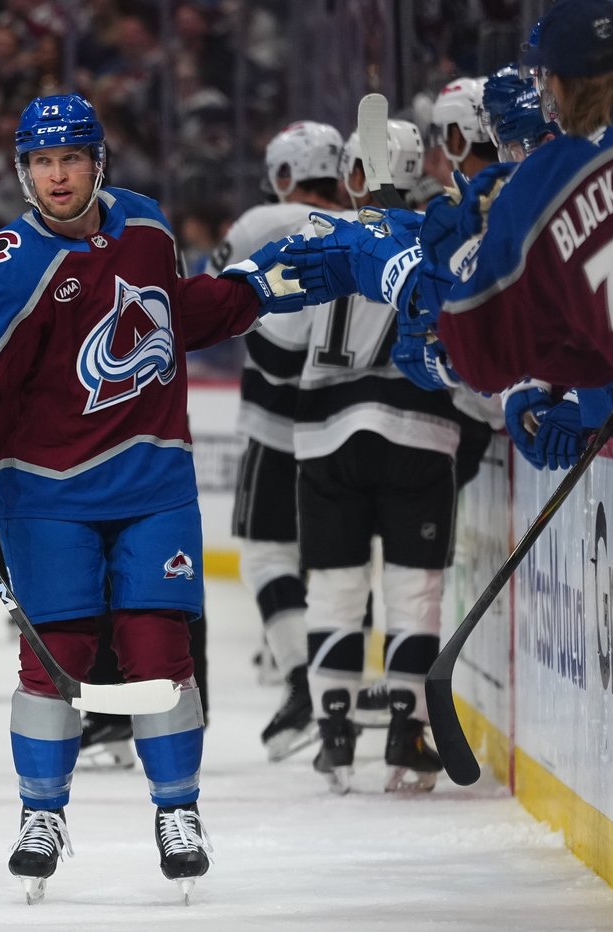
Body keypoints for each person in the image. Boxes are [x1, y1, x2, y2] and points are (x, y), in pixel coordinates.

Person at [0, 93, 305, 905]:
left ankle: (179, 811)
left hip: (153, 481)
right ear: (23, 173)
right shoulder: (9, 262)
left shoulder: (148, 227)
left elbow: (173, 313)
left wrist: (252, 291)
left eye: (71, 159)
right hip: (45, 491)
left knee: (159, 647)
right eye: (42, 162)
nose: (58, 176)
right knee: (55, 656)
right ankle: (41, 815)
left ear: (99, 163)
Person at [279, 0, 613, 510]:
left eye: (548, 82)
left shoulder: (547, 186)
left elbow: (481, 352)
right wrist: (549, 385)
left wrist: (449, 279)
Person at [264, 117, 491, 793]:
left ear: (353, 173)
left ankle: (334, 733)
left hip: (324, 439)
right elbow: (471, 352)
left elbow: (273, 349)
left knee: (335, 588)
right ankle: (406, 733)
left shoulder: (317, 232)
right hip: (419, 434)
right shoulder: (442, 236)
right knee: (413, 590)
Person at [206, 121, 346, 758]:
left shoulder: (261, 221)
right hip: (348, 416)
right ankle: (344, 688)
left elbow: (208, 297)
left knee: (267, 555)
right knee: (343, 563)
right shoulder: (369, 222)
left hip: (277, 417)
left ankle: (303, 683)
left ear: (285, 174)